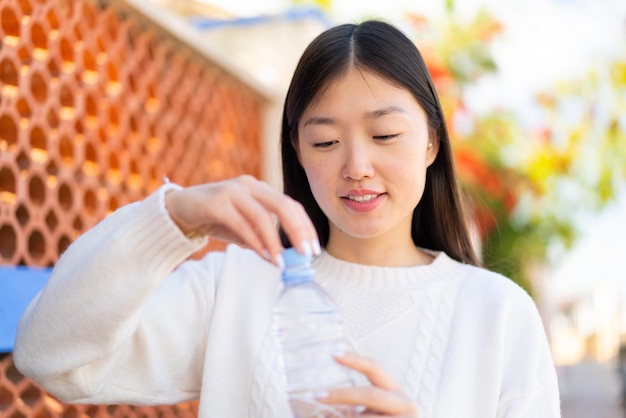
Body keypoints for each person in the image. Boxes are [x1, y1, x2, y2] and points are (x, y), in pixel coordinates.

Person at [13, 20, 561, 417]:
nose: (356, 167)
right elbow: (51, 357)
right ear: (297, 152)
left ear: (431, 144)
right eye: (324, 141)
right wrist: (173, 217)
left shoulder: (498, 314)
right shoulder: (235, 287)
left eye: (385, 135)